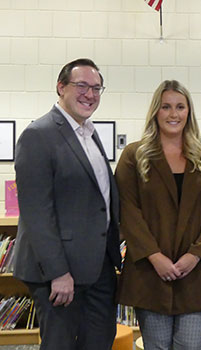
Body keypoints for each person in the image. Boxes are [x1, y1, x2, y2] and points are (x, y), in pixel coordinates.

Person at [13, 58, 121, 350]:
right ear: (60, 87)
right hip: (60, 275)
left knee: (99, 342)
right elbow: (37, 213)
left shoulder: (90, 133)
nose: (90, 94)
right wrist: (58, 273)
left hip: (99, 267)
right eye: (82, 86)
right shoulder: (39, 135)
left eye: (97, 88)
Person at [115, 80, 201, 350]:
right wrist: (155, 257)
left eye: (180, 107)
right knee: (156, 346)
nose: (173, 114)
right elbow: (128, 211)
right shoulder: (134, 156)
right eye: (166, 107)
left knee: (190, 345)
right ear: (156, 111)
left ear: (189, 112)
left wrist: (195, 254)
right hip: (151, 273)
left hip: (196, 272)